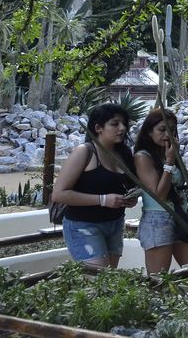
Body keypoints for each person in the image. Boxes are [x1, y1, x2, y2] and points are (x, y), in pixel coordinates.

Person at [53, 103, 139, 268]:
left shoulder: (124, 154)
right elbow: (59, 194)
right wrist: (102, 200)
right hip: (83, 225)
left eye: (123, 124)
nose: (122, 128)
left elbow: (126, 186)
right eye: (114, 124)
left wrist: (130, 199)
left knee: (108, 281)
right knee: (98, 279)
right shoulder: (84, 151)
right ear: (98, 127)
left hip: (115, 223)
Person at [133, 108, 188, 288]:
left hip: (180, 216)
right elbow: (159, 194)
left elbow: (175, 189)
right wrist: (169, 163)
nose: (168, 134)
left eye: (172, 130)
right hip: (158, 220)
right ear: (149, 131)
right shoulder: (143, 157)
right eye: (162, 129)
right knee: (159, 282)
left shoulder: (169, 153)